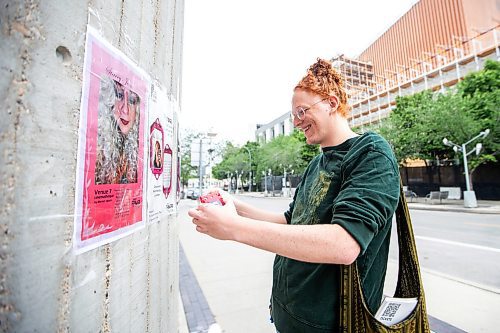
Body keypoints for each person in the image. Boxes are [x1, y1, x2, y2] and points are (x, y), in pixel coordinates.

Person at [188, 58, 400, 332]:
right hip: (289, 317)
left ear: (331, 103)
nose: (298, 122)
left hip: (331, 326)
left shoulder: (370, 153)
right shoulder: (316, 163)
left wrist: (233, 228)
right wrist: (235, 205)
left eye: (302, 112)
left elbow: (344, 244)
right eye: (294, 116)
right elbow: (291, 221)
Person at [95, 76, 141, 184]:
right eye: (119, 96)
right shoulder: (98, 155)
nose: (125, 109)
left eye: (131, 100)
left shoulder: (135, 159)